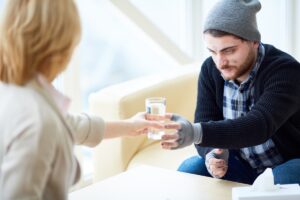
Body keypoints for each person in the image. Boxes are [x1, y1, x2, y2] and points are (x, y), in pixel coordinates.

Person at [0, 0, 173, 199]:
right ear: (61, 45)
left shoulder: (15, 92)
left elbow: (75, 126)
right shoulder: (39, 121)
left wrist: (130, 125)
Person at [160, 0, 300, 185]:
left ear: (254, 42)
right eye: (213, 51)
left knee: (283, 177)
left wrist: (194, 132)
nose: (220, 62)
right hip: (242, 164)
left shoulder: (285, 71)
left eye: (229, 51)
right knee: (192, 168)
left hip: (289, 161)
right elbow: (206, 119)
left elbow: (259, 125)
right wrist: (213, 154)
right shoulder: (210, 69)